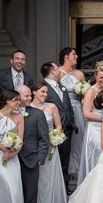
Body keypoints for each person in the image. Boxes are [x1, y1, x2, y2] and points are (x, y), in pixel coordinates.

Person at [15, 85, 50, 203]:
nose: (29, 98)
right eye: (26, 96)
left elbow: (44, 139)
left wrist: (39, 159)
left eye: (30, 95)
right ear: (17, 96)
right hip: (11, 162)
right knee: (13, 198)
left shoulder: (37, 114)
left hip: (30, 162)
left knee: (30, 199)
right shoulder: (8, 113)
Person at [0, 90, 31, 203]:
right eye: (16, 100)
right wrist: (1, 147)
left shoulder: (19, 118)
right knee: (4, 191)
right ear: (7, 101)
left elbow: (20, 141)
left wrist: (12, 153)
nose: (19, 103)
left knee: (15, 193)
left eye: (19, 100)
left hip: (12, 158)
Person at [30, 82, 67, 203]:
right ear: (34, 92)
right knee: (37, 184)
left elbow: (58, 126)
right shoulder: (27, 109)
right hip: (35, 150)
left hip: (51, 149)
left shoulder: (52, 107)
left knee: (49, 183)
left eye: (46, 92)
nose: (45, 95)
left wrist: (55, 138)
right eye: (42, 92)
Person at [41, 61, 78, 195]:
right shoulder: (42, 88)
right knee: (51, 161)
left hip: (66, 129)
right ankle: (53, 191)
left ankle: (64, 187)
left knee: (64, 160)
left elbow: (67, 107)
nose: (59, 71)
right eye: (57, 69)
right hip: (51, 133)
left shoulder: (61, 87)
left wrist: (71, 122)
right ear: (52, 71)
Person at [77, 61, 103, 185]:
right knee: (99, 155)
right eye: (101, 77)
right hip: (94, 129)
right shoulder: (91, 91)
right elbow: (86, 113)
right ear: (96, 76)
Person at [59, 47, 86, 183]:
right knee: (65, 141)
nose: (77, 56)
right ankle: (66, 172)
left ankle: (77, 171)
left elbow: (84, 97)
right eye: (74, 54)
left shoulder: (80, 74)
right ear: (65, 56)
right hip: (63, 112)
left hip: (77, 110)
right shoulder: (57, 72)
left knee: (78, 140)